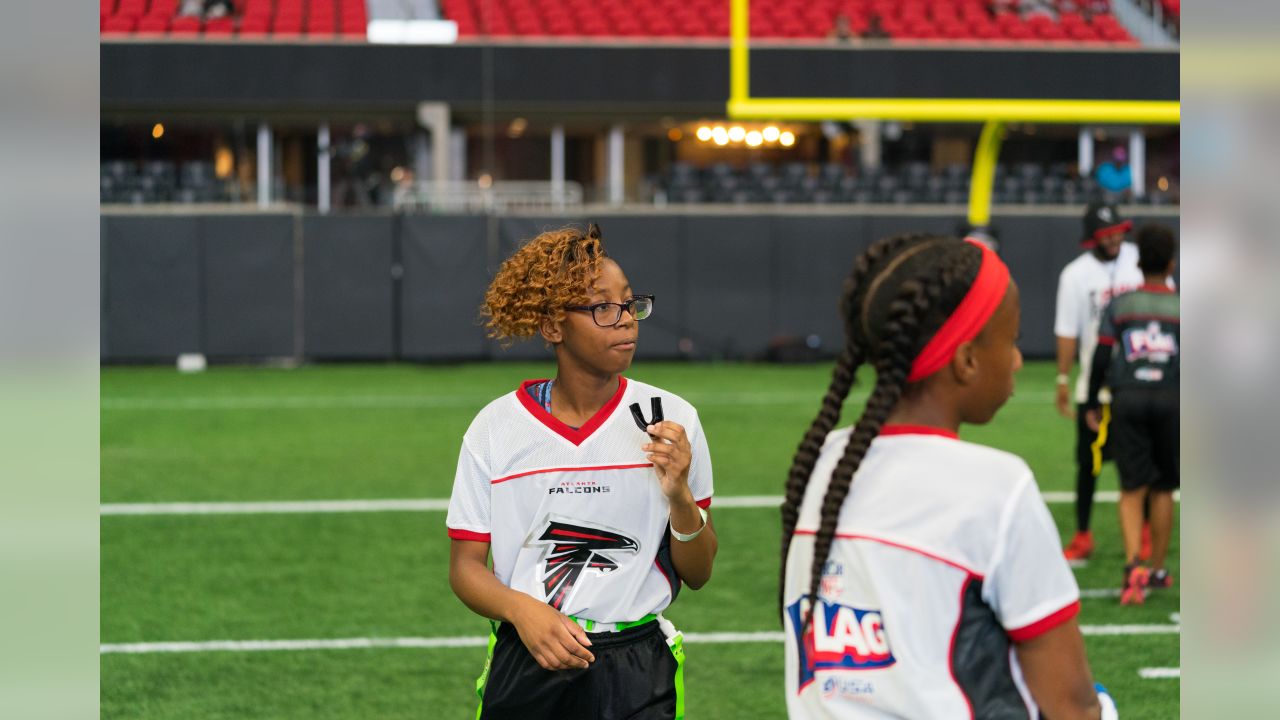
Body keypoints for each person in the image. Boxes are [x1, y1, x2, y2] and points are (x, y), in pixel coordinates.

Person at [780, 234, 1116, 719]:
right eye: (1013, 340)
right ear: (967, 360)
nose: (1019, 359)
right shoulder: (996, 487)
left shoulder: (821, 463)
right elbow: (1071, 702)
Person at [446, 224, 717, 719]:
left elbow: (698, 573)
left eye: (631, 304)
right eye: (602, 308)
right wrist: (521, 611)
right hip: (528, 655)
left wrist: (678, 493)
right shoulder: (495, 427)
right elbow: (464, 568)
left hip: (638, 667)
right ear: (553, 326)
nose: (626, 321)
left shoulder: (673, 418)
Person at [1084, 224, 1179, 605]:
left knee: (1131, 487)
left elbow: (1102, 355)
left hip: (1129, 399)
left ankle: (1132, 567)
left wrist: (1092, 401)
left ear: (1138, 262)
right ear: (1171, 263)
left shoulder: (1121, 304)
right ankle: (1156, 569)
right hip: (1172, 398)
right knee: (1163, 488)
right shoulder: (1184, 306)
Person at [1054, 202, 1144, 563]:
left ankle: (1146, 535)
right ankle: (1083, 535)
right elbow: (1066, 330)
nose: (1114, 238)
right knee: (1088, 465)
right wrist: (1062, 378)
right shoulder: (1075, 274)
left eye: (1118, 230)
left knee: (1140, 465)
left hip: (1138, 383)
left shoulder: (1141, 260)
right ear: (1091, 238)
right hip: (1095, 384)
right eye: (1106, 233)